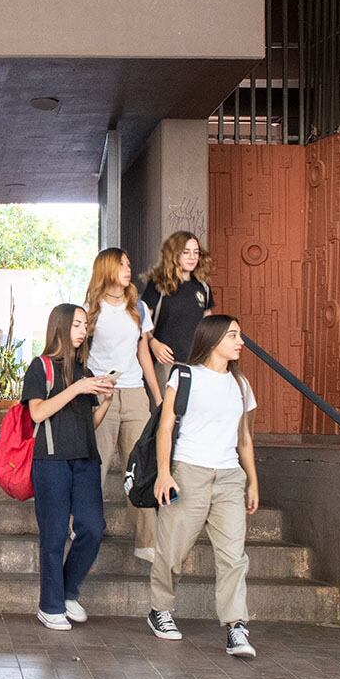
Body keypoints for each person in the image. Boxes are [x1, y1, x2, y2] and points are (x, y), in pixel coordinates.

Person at [146, 314, 259, 659]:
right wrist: (164, 473)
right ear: (212, 340)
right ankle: (159, 609)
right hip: (189, 472)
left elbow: (244, 438)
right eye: (233, 336)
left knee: (233, 556)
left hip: (228, 477)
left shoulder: (241, 386)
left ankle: (235, 625)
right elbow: (165, 428)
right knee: (173, 549)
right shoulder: (184, 376)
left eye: (239, 336)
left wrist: (252, 480)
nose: (240, 342)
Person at [21, 303, 116, 630]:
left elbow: (90, 422)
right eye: (77, 324)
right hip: (51, 460)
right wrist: (76, 388)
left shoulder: (85, 372)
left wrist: (105, 401)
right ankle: (50, 606)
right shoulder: (41, 367)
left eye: (85, 324)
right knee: (55, 532)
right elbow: (36, 413)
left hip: (85, 459)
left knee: (92, 526)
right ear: (60, 326)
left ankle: (68, 590)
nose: (82, 330)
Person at [82, 248, 162, 563]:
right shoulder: (90, 309)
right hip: (102, 393)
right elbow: (81, 353)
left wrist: (155, 394)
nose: (128, 268)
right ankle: (84, 525)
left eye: (129, 263)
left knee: (139, 468)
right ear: (106, 269)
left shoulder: (138, 308)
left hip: (134, 392)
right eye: (122, 264)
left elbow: (143, 352)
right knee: (96, 465)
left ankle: (147, 541)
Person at [141, 231, 214, 393]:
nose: (192, 257)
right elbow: (141, 323)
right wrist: (153, 343)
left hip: (197, 363)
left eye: (196, 252)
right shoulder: (158, 285)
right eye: (186, 252)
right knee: (165, 414)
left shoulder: (203, 287)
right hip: (166, 363)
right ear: (174, 254)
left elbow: (208, 327)